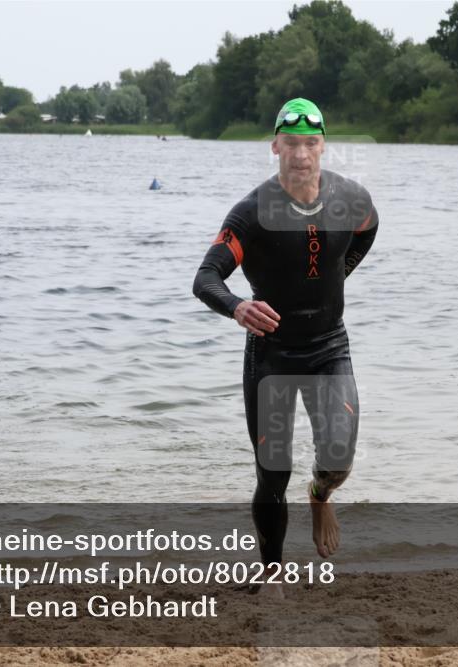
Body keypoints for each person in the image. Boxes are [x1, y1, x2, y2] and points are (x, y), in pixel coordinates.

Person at [193, 98, 379, 582]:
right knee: (273, 476)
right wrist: (238, 306)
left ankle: (320, 497)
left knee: (338, 459)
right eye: (291, 143)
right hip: (271, 353)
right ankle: (271, 574)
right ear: (275, 145)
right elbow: (206, 277)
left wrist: (340, 273)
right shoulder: (252, 213)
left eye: (310, 143)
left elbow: (368, 229)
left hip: (329, 346)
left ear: (323, 146)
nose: (301, 154)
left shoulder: (350, 199)